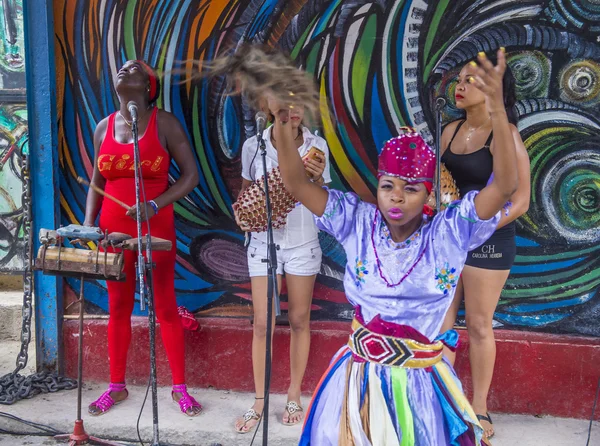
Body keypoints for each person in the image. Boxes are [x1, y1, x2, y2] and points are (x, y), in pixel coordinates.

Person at [271, 49, 517, 445]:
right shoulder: (357, 221)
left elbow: (503, 187)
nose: (396, 198)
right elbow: (299, 185)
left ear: (428, 194)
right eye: (387, 187)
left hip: (419, 388)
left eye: (410, 189)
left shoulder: (448, 233)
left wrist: (500, 113)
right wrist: (283, 128)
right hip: (356, 382)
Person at [83, 60, 202, 416]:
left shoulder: (164, 123)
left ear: (150, 86)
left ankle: (179, 388)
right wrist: (89, 224)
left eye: (134, 69)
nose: (125, 70)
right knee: (117, 307)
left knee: (165, 305)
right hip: (112, 231)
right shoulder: (103, 126)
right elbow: (96, 183)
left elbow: (191, 176)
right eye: (121, 68)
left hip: (156, 225)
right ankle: (116, 387)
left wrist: (155, 203)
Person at [440, 52, 531, 439]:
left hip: (488, 244)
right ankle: (443, 399)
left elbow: (521, 200)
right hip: (446, 242)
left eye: (470, 80)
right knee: (441, 325)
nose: (459, 86)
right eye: (458, 79)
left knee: (478, 325)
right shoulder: (449, 131)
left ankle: (478, 408)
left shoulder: (505, 134)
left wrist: (477, 228)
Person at [232, 103, 331, 433]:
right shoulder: (253, 146)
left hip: (303, 241)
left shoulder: (316, 147)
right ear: (268, 106)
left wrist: (313, 182)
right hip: (263, 242)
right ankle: (259, 399)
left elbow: (323, 200)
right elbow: (246, 193)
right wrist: (249, 212)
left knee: (300, 319)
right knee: (263, 323)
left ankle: (293, 394)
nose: (294, 108)